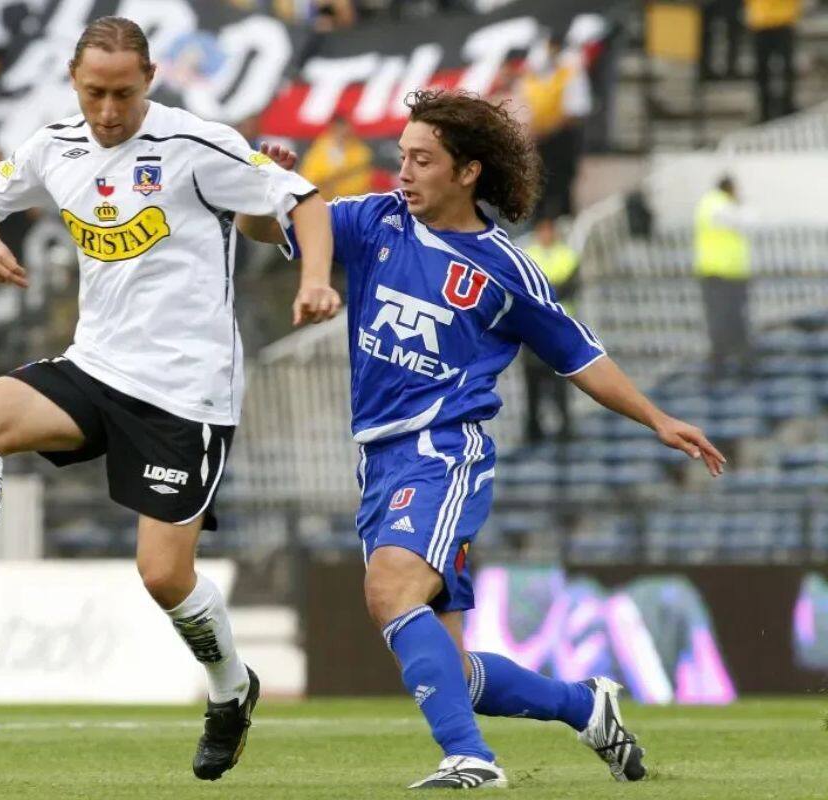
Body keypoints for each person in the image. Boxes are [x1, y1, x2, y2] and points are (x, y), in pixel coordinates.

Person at [237, 89, 725, 789]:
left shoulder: (506, 268)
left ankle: (472, 761)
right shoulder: (374, 221)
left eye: (421, 159)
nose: (402, 171)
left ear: (467, 172)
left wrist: (658, 419)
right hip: (378, 458)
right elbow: (270, 231)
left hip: (441, 453)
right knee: (448, 667)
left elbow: (579, 356)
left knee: (390, 592)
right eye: (401, 156)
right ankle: (584, 705)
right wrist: (261, 193)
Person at [0, 15, 339, 783]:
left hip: (186, 390)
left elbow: (301, 205)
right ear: (74, 82)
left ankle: (232, 689)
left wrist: (315, 279)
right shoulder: (55, 145)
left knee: (164, 576)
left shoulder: (195, 145)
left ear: (150, 82)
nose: (108, 111)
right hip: (97, 365)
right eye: (95, 93)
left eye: (123, 95)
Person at [518, 34, 591, 220]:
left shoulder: (569, 73)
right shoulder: (532, 78)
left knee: (561, 187)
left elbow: (575, 112)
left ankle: (562, 224)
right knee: (538, 189)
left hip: (560, 139)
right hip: (538, 141)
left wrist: (547, 130)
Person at [523, 217, 580, 442]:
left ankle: (565, 429)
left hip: (559, 329)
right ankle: (533, 430)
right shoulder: (528, 255)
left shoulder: (566, 255)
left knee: (560, 383)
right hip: (533, 331)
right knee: (533, 383)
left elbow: (572, 286)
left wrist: (545, 293)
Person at [694, 176, 752, 379]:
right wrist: (739, 205)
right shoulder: (717, 203)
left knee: (732, 322)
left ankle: (731, 365)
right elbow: (743, 220)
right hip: (721, 275)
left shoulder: (715, 203)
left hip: (729, 274)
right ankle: (721, 367)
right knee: (724, 322)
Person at [745, 0, 800, 122]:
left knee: (786, 68)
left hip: (783, 19)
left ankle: (786, 105)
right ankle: (764, 108)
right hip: (762, 20)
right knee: (762, 69)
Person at [300, 115, 374, 201]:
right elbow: (309, 179)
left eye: (345, 130)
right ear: (332, 129)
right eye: (338, 130)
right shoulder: (318, 151)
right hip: (324, 203)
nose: (342, 133)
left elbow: (362, 181)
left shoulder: (360, 152)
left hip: (351, 204)